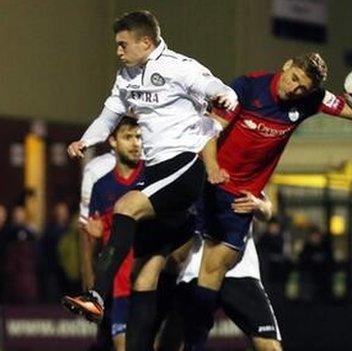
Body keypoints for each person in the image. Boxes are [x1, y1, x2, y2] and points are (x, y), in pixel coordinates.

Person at [189, 52, 352, 339]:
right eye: (294, 79)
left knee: (209, 278)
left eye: (303, 87)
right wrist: (213, 167)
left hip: (240, 200)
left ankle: (194, 340)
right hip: (206, 184)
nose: (294, 89)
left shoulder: (311, 100)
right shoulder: (249, 87)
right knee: (176, 268)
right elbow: (209, 130)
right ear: (287, 65)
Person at [62, 10, 236, 350]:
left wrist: (223, 95)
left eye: (122, 44)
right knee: (145, 272)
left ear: (146, 41)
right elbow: (108, 116)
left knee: (126, 206)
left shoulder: (178, 66)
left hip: (183, 165)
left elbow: (216, 87)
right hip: (156, 171)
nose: (118, 51)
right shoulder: (126, 75)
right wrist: (85, 140)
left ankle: (95, 295)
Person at [167, 191, 282, 351]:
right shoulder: (190, 171)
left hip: (239, 271)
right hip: (195, 271)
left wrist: (259, 206)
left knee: (267, 342)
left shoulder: (239, 172)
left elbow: (267, 210)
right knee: (177, 340)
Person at [83, 116, 143, 351]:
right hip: (119, 287)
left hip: (149, 282)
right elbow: (95, 243)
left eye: (139, 137)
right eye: (128, 137)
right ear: (113, 141)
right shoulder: (102, 187)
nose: (136, 143)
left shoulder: (151, 177)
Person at [79, 152, 116, 351]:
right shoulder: (98, 169)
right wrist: (88, 275)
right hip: (110, 267)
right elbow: (86, 228)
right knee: (109, 331)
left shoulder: (156, 157)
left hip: (144, 264)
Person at [298, 226, 334, 301]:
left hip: (322, 281)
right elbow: (303, 261)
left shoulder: (325, 247)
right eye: (313, 236)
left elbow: (329, 262)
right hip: (310, 282)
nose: (315, 238)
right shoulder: (307, 248)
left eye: (317, 236)